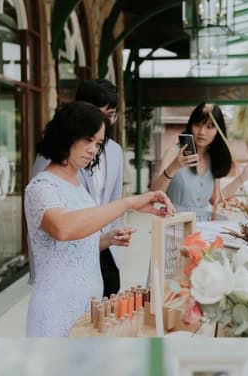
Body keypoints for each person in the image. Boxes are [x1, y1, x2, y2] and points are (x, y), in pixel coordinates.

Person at [25, 101, 174, 337]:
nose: (93, 149)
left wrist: (105, 239)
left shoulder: (77, 184)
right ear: (67, 135)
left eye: (98, 143)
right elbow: (63, 228)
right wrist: (128, 202)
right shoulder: (41, 188)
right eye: (88, 140)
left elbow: (72, 247)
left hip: (89, 307)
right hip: (56, 309)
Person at [33, 79, 124, 296]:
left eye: (112, 115)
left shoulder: (114, 151)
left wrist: (112, 238)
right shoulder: (52, 158)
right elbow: (47, 218)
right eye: (104, 114)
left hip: (105, 250)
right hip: (65, 258)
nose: (107, 121)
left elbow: (113, 200)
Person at [150, 102, 248, 219]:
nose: (202, 132)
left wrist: (243, 176)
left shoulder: (213, 158)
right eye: (198, 124)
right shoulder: (173, 152)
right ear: (191, 125)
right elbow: (154, 191)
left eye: (209, 127)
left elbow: (215, 199)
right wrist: (174, 166)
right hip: (176, 224)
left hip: (204, 227)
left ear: (218, 130)